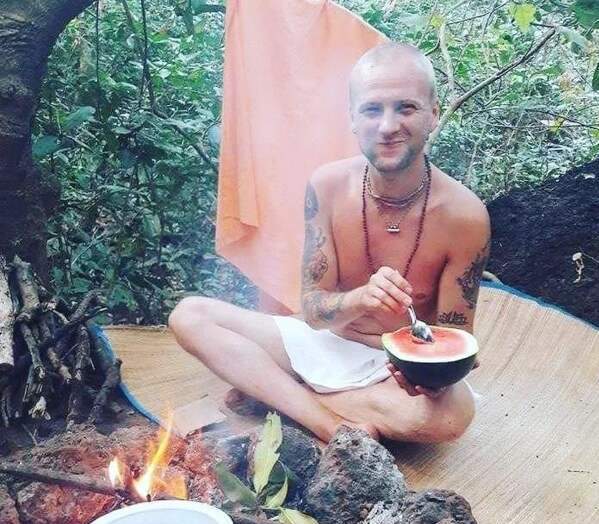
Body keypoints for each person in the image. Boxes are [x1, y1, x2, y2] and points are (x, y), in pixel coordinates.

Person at [169, 42, 490, 443]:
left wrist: (433, 379)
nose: (387, 126)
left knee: (452, 417)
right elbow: (313, 311)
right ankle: (332, 425)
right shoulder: (327, 186)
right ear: (352, 118)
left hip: (392, 371)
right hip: (326, 341)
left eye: (406, 108)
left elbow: (454, 337)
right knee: (190, 316)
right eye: (372, 110)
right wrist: (362, 299)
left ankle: (278, 394)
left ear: (434, 114)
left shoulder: (465, 216)